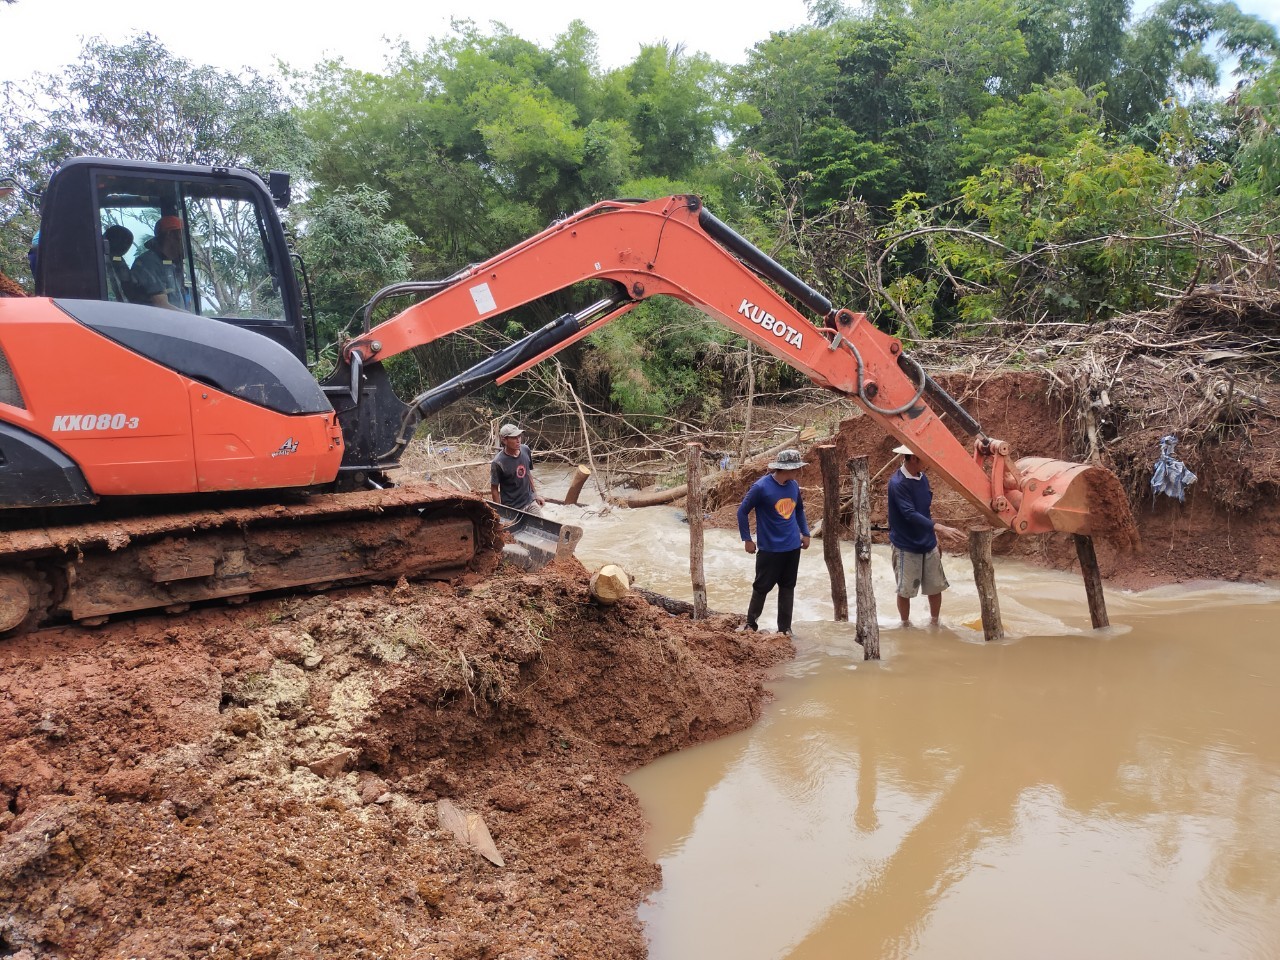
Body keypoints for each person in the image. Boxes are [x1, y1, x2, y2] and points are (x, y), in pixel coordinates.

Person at [887, 444, 965, 627]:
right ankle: (905, 624)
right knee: (905, 591)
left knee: (935, 587)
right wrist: (940, 528)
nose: (929, 462)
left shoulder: (923, 478)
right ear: (913, 458)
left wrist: (934, 536)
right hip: (906, 544)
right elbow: (909, 513)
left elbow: (925, 511)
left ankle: (935, 622)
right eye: (925, 457)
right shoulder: (897, 483)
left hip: (927, 542)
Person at [737, 448, 812, 635]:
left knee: (788, 587)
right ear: (785, 469)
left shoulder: (794, 486)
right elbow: (742, 511)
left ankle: (785, 629)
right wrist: (747, 539)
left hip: (792, 547)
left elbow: (799, 510)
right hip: (770, 548)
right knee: (762, 586)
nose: (798, 472)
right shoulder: (761, 487)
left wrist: (805, 532)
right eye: (796, 468)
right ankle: (751, 624)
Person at [131, 215, 189, 310]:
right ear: (170, 235)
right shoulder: (148, 263)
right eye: (182, 235)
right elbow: (161, 304)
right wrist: (194, 321)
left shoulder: (171, 263)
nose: (185, 241)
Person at [490, 423, 545, 515]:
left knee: (541, 526)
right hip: (512, 508)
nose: (518, 440)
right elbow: (494, 488)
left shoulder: (525, 450)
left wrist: (535, 495)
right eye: (514, 437)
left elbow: (528, 474)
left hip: (529, 502)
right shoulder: (498, 462)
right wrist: (499, 511)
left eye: (519, 436)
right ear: (504, 440)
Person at [102, 225, 135, 302]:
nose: (125, 247)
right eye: (123, 241)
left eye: (128, 243)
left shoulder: (118, 260)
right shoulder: (101, 260)